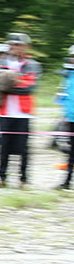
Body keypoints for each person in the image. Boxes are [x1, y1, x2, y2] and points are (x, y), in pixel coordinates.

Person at [0, 32, 40, 188]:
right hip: (4, 111)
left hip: (23, 113)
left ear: (26, 47)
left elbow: (29, 88)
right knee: (3, 146)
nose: (13, 47)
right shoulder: (0, 63)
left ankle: (23, 179)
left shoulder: (33, 65)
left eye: (18, 44)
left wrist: (7, 85)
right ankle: (1, 178)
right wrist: (15, 81)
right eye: (11, 44)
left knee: (23, 148)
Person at [56, 45, 74, 189]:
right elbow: (64, 97)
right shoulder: (68, 75)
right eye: (72, 56)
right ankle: (67, 181)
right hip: (71, 118)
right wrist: (65, 114)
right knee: (71, 152)